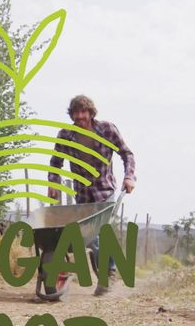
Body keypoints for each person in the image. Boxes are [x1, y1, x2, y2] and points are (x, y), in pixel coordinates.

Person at [46, 95, 136, 296]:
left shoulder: (107, 130)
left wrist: (129, 177)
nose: (80, 116)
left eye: (83, 112)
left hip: (105, 191)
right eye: (76, 113)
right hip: (83, 194)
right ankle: (106, 272)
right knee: (90, 238)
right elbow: (55, 163)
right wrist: (53, 182)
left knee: (101, 232)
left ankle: (108, 273)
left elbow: (126, 154)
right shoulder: (66, 135)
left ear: (91, 113)